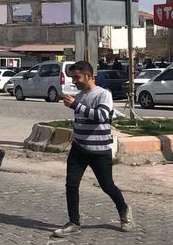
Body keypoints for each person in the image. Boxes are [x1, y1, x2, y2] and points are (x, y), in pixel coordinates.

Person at [52, 61, 133, 237]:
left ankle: (124, 210)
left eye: (77, 77)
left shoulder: (103, 94)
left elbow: (102, 117)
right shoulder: (79, 96)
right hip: (79, 149)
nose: (74, 81)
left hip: (99, 150)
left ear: (89, 76)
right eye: (73, 77)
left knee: (107, 186)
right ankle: (74, 222)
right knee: (71, 185)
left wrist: (75, 105)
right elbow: (82, 118)